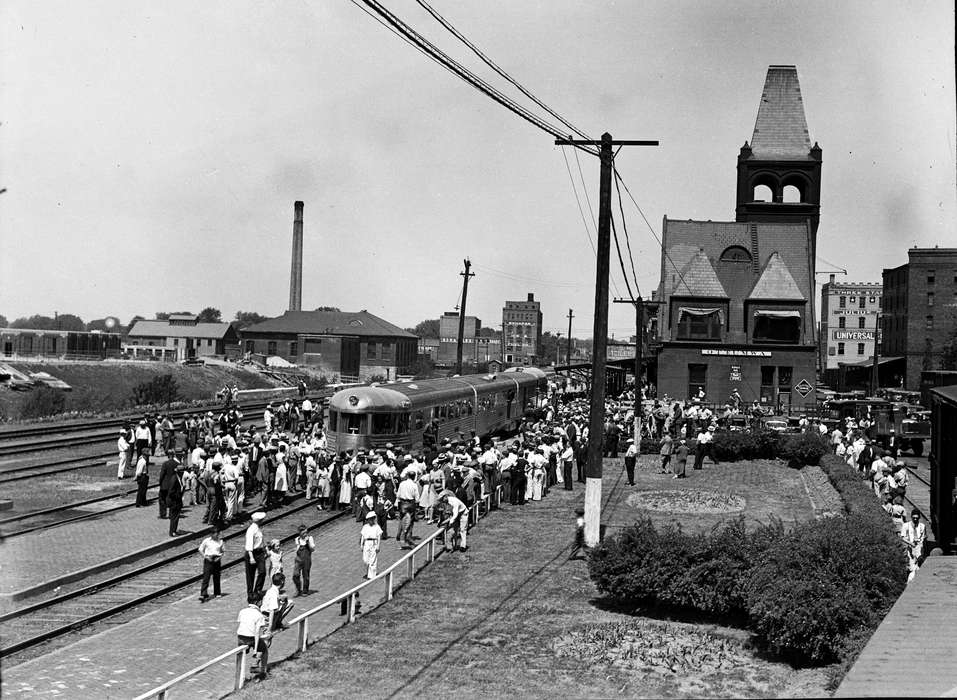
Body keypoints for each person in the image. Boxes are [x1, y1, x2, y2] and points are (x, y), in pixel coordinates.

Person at [236, 602, 270, 680]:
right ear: (258, 603)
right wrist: (255, 650)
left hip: (240, 637)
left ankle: (240, 677)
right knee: (263, 648)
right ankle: (259, 668)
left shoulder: (242, 611)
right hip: (251, 638)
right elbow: (257, 633)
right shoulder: (259, 615)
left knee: (241, 654)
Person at [245, 512, 267, 602]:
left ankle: (257, 590)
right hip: (252, 554)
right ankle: (250, 594)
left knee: (262, 572)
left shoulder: (258, 528)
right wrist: (251, 557)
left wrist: (266, 550)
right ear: (259, 521)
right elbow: (249, 544)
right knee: (250, 575)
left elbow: (261, 540)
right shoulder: (251, 530)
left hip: (260, 553)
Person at [198, 528, 225, 602]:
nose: (217, 535)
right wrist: (205, 557)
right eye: (215, 533)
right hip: (208, 559)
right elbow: (200, 549)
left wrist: (219, 557)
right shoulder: (206, 541)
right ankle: (203, 593)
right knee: (206, 576)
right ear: (211, 534)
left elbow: (222, 551)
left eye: (217, 533)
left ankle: (217, 592)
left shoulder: (220, 541)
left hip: (216, 559)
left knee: (217, 576)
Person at [900, 509, 927, 582]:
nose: (915, 519)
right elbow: (902, 537)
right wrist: (910, 543)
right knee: (911, 566)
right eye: (914, 518)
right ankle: (910, 581)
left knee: (918, 565)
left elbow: (923, 538)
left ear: (919, 518)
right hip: (910, 547)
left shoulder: (922, 526)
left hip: (919, 548)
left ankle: (917, 580)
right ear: (911, 517)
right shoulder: (906, 525)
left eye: (917, 518)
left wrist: (921, 546)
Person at [396, 470, 420, 548]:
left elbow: (398, 495)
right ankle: (407, 538)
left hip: (403, 503)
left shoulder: (402, 484)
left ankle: (400, 536)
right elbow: (417, 497)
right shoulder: (414, 485)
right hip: (411, 503)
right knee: (410, 522)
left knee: (402, 520)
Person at [292, 525, 315, 596]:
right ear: (300, 533)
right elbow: (297, 549)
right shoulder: (297, 539)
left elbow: (312, 549)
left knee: (306, 575)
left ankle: (305, 590)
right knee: (295, 575)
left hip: (307, 559)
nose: (305, 534)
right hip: (298, 559)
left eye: (306, 532)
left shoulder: (310, 538)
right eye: (303, 533)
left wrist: (308, 542)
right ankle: (298, 589)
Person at [360, 511, 383, 579]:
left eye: (372, 519)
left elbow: (379, 537)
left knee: (373, 560)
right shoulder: (365, 527)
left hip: (373, 542)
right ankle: (368, 572)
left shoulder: (377, 527)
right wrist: (361, 544)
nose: (371, 520)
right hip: (367, 543)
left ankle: (371, 575)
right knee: (365, 560)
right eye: (369, 519)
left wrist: (378, 546)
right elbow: (363, 536)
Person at [157, 451, 179, 519]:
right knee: (172, 499)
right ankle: (171, 514)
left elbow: (162, 474)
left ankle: (163, 514)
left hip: (165, 485)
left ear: (168, 456)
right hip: (173, 485)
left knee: (162, 499)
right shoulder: (177, 464)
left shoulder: (165, 464)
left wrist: (160, 482)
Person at [167, 464, 185, 536]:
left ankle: (174, 530)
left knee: (176, 517)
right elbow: (171, 492)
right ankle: (172, 532)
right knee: (174, 517)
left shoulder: (178, 478)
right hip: (174, 502)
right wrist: (179, 495)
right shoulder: (174, 479)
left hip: (177, 501)